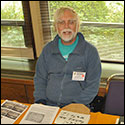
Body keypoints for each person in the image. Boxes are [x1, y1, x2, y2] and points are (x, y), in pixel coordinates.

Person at [33, 7, 102, 108]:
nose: (66, 26)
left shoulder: (90, 52)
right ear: (56, 27)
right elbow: (40, 79)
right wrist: (40, 101)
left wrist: (75, 106)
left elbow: (93, 86)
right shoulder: (48, 49)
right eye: (61, 22)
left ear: (77, 26)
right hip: (49, 105)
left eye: (71, 22)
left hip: (78, 106)